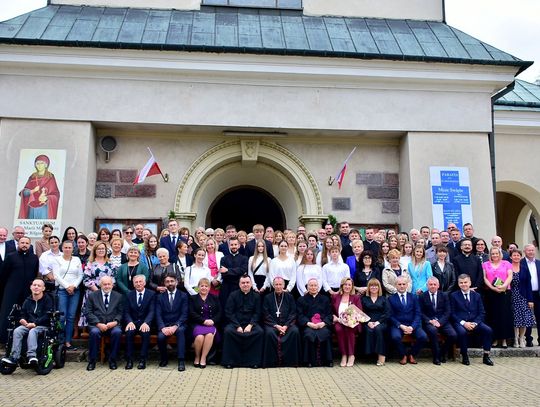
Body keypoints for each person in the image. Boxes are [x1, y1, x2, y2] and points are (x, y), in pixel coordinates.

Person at [1, 279, 53, 367]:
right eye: (34, 285)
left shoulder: (48, 300)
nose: (36, 287)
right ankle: (14, 357)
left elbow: (47, 316)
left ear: (43, 288)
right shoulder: (27, 300)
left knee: (33, 331)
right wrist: (23, 320)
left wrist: (35, 323)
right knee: (17, 330)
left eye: (39, 286)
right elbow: (23, 314)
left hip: (42, 326)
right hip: (28, 325)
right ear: (31, 287)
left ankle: (31, 356)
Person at [0, 236, 39, 344]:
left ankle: (24, 338)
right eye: (22, 242)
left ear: (30, 245)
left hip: (27, 291)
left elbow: (35, 273)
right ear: (18, 244)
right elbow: (3, 274)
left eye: (27, 243)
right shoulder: (11, 256)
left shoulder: (34, 258)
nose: (24, 245)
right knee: (8, 312)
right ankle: (4, 338)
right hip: (11, 290)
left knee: (25, 313)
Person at [450, 274, 494, 366]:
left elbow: (482, 312)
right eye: (461, 283)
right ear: (458, 284)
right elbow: (452, 313)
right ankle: (464, 356)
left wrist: (474, 323)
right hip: (460, 322)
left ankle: (486, 356)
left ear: (470, 283)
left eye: (465, 282)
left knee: (488, 330)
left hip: (475, 322)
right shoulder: (453, 296)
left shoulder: (477, 296)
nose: (463, 284)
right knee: (462, 332)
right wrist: (464, 323)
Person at [222, 274, 263, 369]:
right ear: (239, 284)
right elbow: (229, 312)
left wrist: (250, 325)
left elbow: (257, 313)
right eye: (243, 283)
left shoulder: (256, 296)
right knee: (228, 331)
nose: (245, 284)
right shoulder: (233, 295)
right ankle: (230, 362)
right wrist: (237, 326)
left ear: (251, 284)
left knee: (259, 332)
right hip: (236, 323)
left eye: (247, 282)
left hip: (251, 323)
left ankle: (254, 362)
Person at [85, 276, 124, 371]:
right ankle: (92, 361)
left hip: (113, 325)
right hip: (97, 325)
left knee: (117, 332)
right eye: (104, 284)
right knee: (94, 333)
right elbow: (88, 312)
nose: (107, 286)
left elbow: (121, 312)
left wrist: (115, 322)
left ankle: (113, 360)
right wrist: (98, 323)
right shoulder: (92, 296)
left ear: (112, 285)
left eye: (109, 284)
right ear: (100, 285)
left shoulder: (118, 296)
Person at [262, 276, 301, 367]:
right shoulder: (268, 297)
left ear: (284, 285)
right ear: (273, 285)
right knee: (269, 333)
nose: (278, 286)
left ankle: (291, 362)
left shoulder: (290, 297)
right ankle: (271, 362)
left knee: (295, 331)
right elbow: (265, 313)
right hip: (272, 325)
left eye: (280, 284)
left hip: (287, 325)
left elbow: (293, 313)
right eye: (276, 284)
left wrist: (286, 326)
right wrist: (276, 325)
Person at [388, 276, 428, 364]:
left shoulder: (413, 297)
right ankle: (403, 355)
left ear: (407, 285)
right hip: (398, 325)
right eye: (399, 284)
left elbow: (418, 313)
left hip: (412, 325)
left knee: (423, 336)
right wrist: (401, 326)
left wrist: (412, 327)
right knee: (395, 337)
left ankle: (412, 354)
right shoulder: (391, 299)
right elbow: (390, 316)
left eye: (403, 284)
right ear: (396, 285)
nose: (401, 286)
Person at [53, 240, 83, 351]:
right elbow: (56, 276)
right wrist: (67, 286)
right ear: (62, 248)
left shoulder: (77, 259)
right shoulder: (57, 260)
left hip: (75, 291)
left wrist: (73, 286)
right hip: (62, 291)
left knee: (71, 317)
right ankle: (59, 341)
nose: (67, 249)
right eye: (65, 247)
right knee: (62, 317)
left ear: (73, 248)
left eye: (69, 247)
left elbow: (80, 275)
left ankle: (68, 342)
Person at [419, 277, 457, 365]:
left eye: (434, 284)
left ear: (438, 285)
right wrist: (430, 321)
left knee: (453, 335)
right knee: (433, 331)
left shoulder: (444, 295)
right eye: (430, 284)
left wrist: (440, 322)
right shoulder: (422, 296)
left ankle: (442, 352)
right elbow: (420, 312)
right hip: (429, 322)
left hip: (442, 320)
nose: (432, 286)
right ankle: (436, 357)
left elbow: (448, 311)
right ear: (427, 285)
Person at [155, 273, 188, 371]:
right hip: (165, 325)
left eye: (172, 281)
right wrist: (162, 327)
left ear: (176, 282)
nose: (170, 283)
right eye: (167, 282)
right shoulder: (159, 297)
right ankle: (164, 358)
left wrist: (175, 326)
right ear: (164, 284)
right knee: (160, 337)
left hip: (179, 324)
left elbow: (184, 314)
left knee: (181, 332)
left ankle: (181, 360)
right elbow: (158, 314)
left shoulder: (183, 296)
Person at [297, 278, 333, 367]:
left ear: (318, 287)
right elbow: (300, 315)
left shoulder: (325, 299)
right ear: (307, 287)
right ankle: (309, 361)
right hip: (309, 325)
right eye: (311, 285)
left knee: (325, 333)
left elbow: (329, 314)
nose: (313, 287)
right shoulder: (301, 299)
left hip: (322, 324)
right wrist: (309, 324)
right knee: (308, 334)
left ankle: (327, 360)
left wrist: (323, 323)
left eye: (315, 285)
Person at [482, 247, 514, 348]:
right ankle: (495, 339)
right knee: (493, 316)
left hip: (504, 292)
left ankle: (504, 340)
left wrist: (504, 286)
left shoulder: (507, 263)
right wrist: (492, 288)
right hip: (491, 293)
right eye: (492, 254)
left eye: (496, 253)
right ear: (490, 255)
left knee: (504, 316)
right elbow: (484, 278)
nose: (495, 255)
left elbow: (510, 276)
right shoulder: (485, 264)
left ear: (500, 254)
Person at [80, 241, 115, 329]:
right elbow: (86, 279)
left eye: (103, 249)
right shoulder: (90, 263)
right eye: (99, 249)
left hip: (107, 292)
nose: (101, 250)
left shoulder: (110, 263)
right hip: (93, 292)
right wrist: (97, 291)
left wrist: (106, 289)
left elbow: (114, 278)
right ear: (95, 250)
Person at [123, 274, 155, 370]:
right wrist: (129, 322)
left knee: (145, 333)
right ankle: (129, 360)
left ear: (144, 283)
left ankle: (142, 360)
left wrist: (146, 322)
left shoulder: (152, 294)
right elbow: (126, 311)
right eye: (136, 282)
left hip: (145, 322)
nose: (138, 284)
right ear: (133, 284)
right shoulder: (129, 295)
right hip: (133, 322)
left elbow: (152, 311)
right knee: (129, 333)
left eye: (140, 281)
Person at [189, 277, 221, 368]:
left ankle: (203, 358)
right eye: (202, 286)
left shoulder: (215, 298)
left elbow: (220, 312)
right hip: (197, 324)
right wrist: (203, 321)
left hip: (211, 324)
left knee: (210, 335)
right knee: (199, 337)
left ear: (209, 287)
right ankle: (197, 356)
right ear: (198, 287)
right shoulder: (192, 298)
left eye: (206, 286)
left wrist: (213, 320)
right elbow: (191, 313)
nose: (204, 288)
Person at [18, 154, 60, 219]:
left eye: (42, 163)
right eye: (37, 163)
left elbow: (55, 194)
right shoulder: (32, 177)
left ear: (46, 165)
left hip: (43, 208)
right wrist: (32, 191)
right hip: (32, 207)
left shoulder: (50, 177)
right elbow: (23, 193)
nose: (39, 165)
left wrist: (47, 198)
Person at [332, 277, 361, 367]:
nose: (347, 286)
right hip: (338, 321)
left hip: (352, 322)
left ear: (352, 286)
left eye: (349, 285)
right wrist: (335, 317)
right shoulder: (335, 297)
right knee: (339, 330)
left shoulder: (356, 297)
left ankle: (351, 355)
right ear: (342, 286)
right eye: (345, 284)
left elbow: (359, 312)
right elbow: (331, 311)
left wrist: (349, 320)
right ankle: (344, 355)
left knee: (349, 329)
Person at [361, 278, 390, 366]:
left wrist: (378, 322)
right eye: (371, 285)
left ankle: (381, 355)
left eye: (376, 285)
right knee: (369, 331)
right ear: (368, 287)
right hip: (367, 322)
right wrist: (368, 322)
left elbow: (387, 313)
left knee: (378, 329)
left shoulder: (383, 299)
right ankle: (370, 355)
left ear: (379, 287)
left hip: (381, 322)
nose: (374, 287)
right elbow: (361, 313)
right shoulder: (364, 299)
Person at [509, 249, 535, 348]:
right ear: (511, 257)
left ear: (521, 257)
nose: (516, 257)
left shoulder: (524, 268)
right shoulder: (508, 267)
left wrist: (530, 299)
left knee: (524, 318)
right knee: (515, 318)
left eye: (518, 255)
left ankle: (521, 338)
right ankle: (515, 338)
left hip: (523, 296)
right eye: (514, 255)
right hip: (512, 296)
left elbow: (529, 285)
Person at [219, 237, 248, 310]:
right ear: (229, 246)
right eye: (232, 245)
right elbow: (223, 274)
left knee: (239, 306)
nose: (234, 246)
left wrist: (228, 270)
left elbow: (243, 270)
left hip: (238, 286)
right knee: (226, 306)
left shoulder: (244, 258)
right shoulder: (223, 259)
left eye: (235, 244)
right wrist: (236, 272)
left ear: (239, 245)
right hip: (226, 286)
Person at [521, 244, 540, 347]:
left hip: (538, 294)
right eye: (529, 250)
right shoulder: (521, 263)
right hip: (526, 294)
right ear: (525, 251)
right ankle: (528, 339)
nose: (531, 252)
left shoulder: (539, 263)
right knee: (528, 318)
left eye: (532, 250)